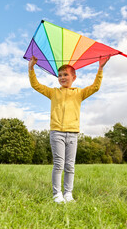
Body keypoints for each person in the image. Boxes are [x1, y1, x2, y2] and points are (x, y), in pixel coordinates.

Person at [28, 56, 109, 203]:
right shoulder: (53, 92)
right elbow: (36, 85)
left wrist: (100, 68)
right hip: (56, 132)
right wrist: (31, 68)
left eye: (65, 75)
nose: (62, 77)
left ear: (74, 77)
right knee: (59, 163)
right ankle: (57, 194)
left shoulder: (79, 93)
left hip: (72, 133)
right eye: (60, 75)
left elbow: (95, 87)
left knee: (70, 165)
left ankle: (68, 194)